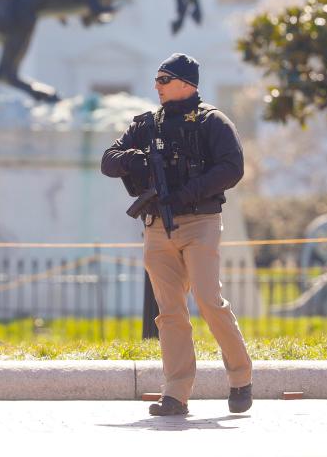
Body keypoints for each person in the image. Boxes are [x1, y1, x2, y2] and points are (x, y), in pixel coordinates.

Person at [100, 53, 253, 416]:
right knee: (169, 312)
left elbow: (232, 168)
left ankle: (241, 377)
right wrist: (134, 160)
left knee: (208, 300)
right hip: (157, 226)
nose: (157, 86)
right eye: (156, 80)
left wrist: (187, 193)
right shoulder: (148, 124)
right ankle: (176, 393)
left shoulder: (212, 122)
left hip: (199, 222)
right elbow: (109, 158)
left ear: (187, 83)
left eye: (164, 79)